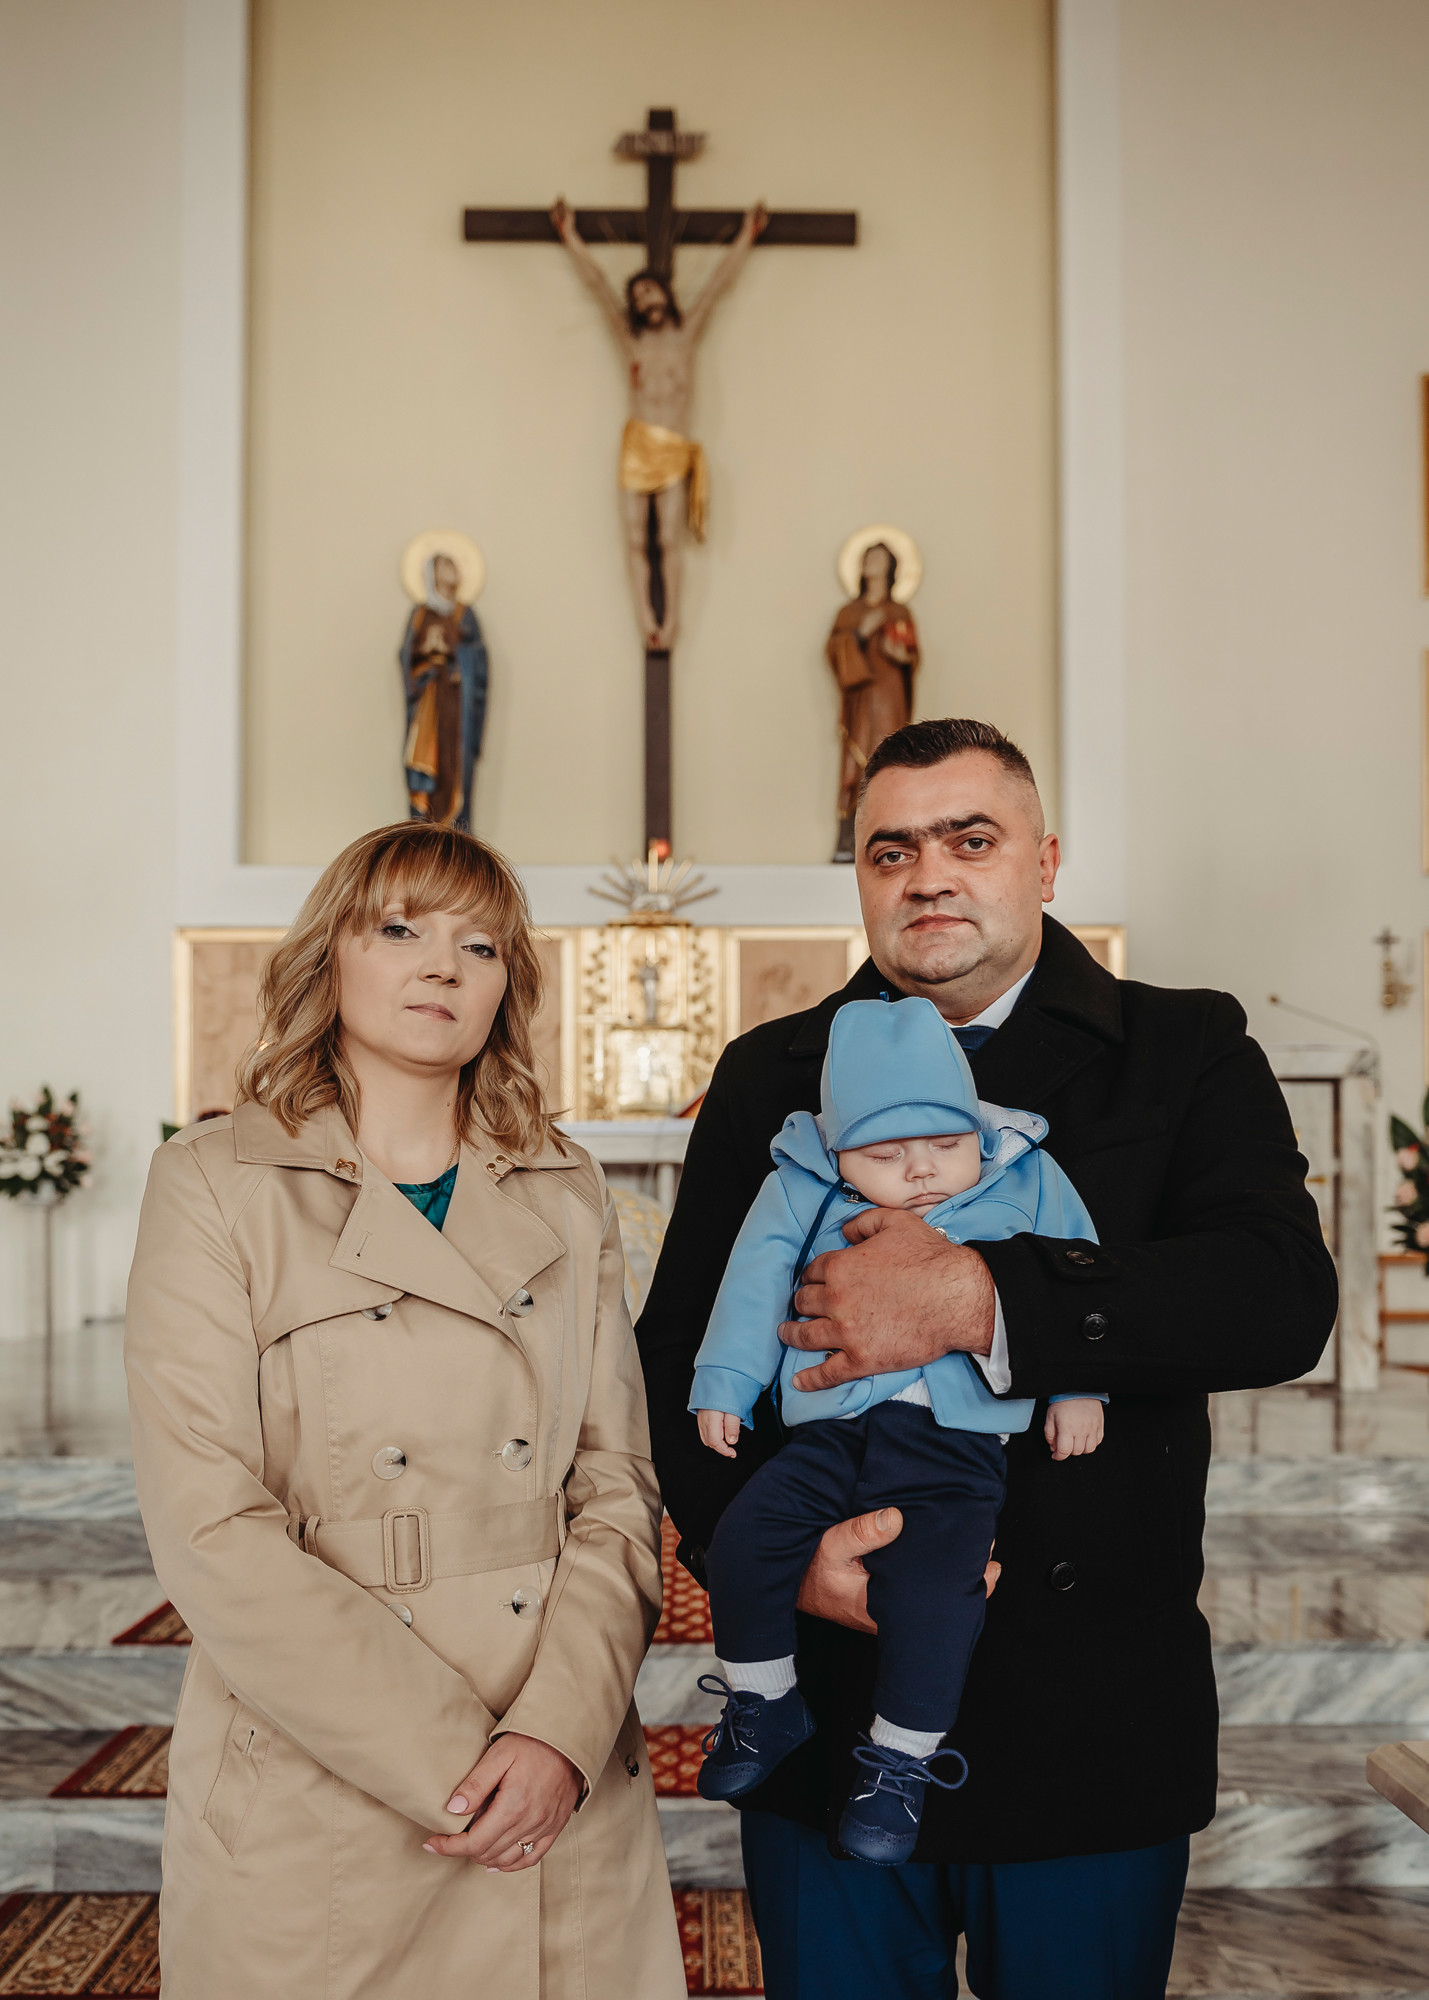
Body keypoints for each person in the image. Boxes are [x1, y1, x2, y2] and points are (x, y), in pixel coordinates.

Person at [636, 717, 1337, 2000]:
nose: (928, 876)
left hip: (1085, 1719)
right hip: (831, 1715)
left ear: (1045, 861)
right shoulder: (767, 1073)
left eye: (970, 839)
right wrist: (773, 1551)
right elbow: (676, 1348)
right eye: (889, 850)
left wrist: (979, 1298)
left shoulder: (1181, 1047)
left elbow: (1278, 1295)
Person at [126, 822, 684, 2000]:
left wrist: (555, 1735)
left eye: (480, 945)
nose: (442, 964)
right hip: (330, 1772)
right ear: (329, 953)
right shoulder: (214, 1182)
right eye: (400, 928)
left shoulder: (567, 1186)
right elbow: (208, 1522)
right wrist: (464, 1765)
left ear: (505, 986)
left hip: (558, 1765)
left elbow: (616, 1482)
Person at [689, 996, 1105, 1865]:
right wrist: (725, 1382)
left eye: (946, 1145)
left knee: (935, 1598)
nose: (920, 1171)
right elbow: (753, 1281)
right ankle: (764, 1700)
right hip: (830, 1431)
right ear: (837, 1148)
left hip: (957, 1445)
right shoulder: (797, 1185)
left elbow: (1079, 1275)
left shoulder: (1026, 1174)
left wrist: (1076, 1385)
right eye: (884, 1155)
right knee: (745, 1539)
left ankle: (899, 1765)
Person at [550, 198, 767, 649]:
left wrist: (746, 236)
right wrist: (570, 236)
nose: (645, 300)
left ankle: (671, 623)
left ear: (666, 294)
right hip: (637, 443)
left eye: (650, 291)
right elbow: (597, 286)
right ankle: (646, 618)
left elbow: (718, 285)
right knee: (634, 535)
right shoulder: (630, 341)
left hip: (673, 444)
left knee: (668, 536)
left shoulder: (686, 336)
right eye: (637, 297)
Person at [827, 540, 919, 861]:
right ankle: (847, 840)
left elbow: (911, 655)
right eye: (867, 556)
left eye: (878, 557)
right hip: (860, 698)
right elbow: (834, 652)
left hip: (890, 696)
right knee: (854, 766)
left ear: (890, 567)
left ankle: (893, 837)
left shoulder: (899, 612)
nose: (870, 561)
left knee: (890, 759)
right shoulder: (849, 613)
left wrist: (902, 656)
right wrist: (860, 634)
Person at [399, 550, 488, 829]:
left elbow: (479, 659)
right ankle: (423, 831)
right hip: (428, 705)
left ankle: (457, 835)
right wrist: (427, 658)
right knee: (427, 769)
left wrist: (458, 658)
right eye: (446, 565)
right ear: (432, 574)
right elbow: (406, 657)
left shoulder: (466, 616)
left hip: (457, 708)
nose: (454, 569)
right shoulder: (420, 615)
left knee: (455, 769)